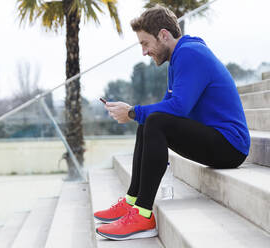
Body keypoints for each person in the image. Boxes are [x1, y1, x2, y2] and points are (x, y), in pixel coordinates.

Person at [94, 5, 250, 241]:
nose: (144, 52)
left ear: (164, 35)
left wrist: (133, 111)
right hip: (215, 139)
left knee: (152, 120)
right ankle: (132, 202)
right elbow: (169, 108)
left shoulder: (191, 54)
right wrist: (136, 114)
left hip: (230, 146)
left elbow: (178, 108)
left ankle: (144, 215)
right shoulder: (178, 58)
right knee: (148, 122)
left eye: (145, 43)